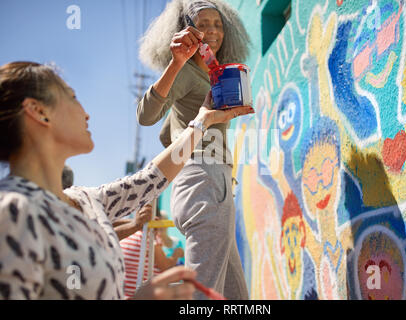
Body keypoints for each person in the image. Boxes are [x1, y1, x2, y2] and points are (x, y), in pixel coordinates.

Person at [0, 61, 253, 300]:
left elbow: (151, 179)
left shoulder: (87, 200)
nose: (86, 114)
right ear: (39, 111)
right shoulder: (12, 209)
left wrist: (203, 120)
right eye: (72, 97)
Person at [137, 0, 251, 300]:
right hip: (204, 183)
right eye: (202, 24)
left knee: (235, 296)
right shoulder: (185, 72)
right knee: (204, 295)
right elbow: (146, 116)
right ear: (187, 30)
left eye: (217, 23)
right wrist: (176, 62)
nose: (212, 30)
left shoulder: (214, 75)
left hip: (209, 184)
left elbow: (166, 135)